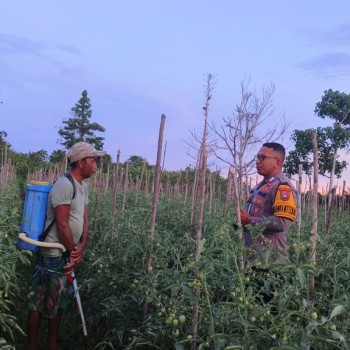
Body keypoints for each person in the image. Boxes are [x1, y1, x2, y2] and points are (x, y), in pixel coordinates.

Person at [26, 142, 105, 350]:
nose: (96, 164)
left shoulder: (83, 185)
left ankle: (52, 343)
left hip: (68, 250)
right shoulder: (64, 185)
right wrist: (72, 251)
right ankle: (32, 345)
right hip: (52, 252)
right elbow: (62, 224)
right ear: (81, 162)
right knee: (39, 299)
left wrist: (82, 246)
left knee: (59, 298)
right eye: (93, 160)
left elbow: (84, 218)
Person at [240, 142, 297, 264]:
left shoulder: (282, 187)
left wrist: (250, 221)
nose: (257, 161)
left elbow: (283, 222)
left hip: (271, 260)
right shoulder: (260, 186)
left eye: (263, 157)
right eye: (257, 157)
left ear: (277, 162)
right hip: (254, 257)